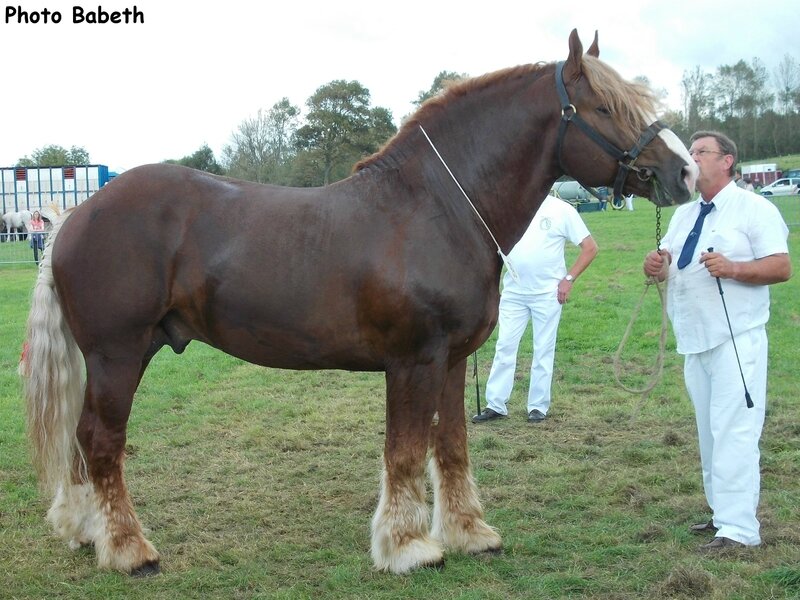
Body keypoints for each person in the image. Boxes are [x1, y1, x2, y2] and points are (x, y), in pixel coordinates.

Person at [643, 131, 791, 552]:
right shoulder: (683, 215)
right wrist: (654, 265)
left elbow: (781, 267)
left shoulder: (753, 208)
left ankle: (741, 530)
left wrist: (735, 269)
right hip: (694, 338)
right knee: (709, 432)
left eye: (701, 152)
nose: (693, 159)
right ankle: (720, 514)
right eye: (690, 153)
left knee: (735, 431)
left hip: (736, 338)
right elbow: (665, 267)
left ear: (727, 161)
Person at [473, 195, 598, 424]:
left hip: (547, 294)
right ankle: (496, 404)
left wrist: (568, 279)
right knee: (505, 346)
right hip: (514, 292)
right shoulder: (508, 206)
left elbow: (590, 248)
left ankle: (538, 406)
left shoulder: (562, 210)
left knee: (543, 349)